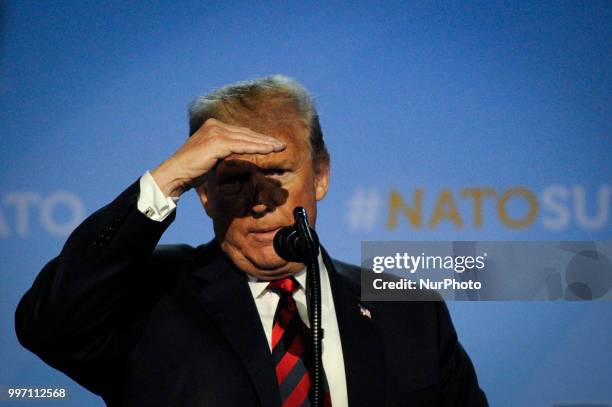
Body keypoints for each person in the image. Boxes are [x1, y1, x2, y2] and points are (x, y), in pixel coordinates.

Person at [15, 75, 488, 406]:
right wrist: (167, 178)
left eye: (278, 171)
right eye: (233, 179)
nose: (258, 201)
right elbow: (48, 323)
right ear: (202, 191)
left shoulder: (407, 308)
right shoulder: (150, 294)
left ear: (320, 175)